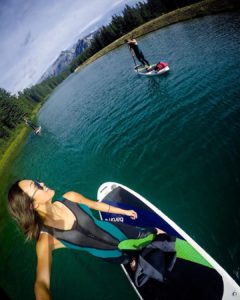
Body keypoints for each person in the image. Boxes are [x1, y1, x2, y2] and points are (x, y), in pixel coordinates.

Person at [8, 179, 164, 300]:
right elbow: (41, 283)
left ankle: (158, 237)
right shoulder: (46, 238)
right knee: (128, 259)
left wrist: (123, 211)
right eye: (35, 185)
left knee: (153, 234)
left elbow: (97, 205)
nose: (41, 182)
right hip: (110, 255)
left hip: (121, 232)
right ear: (32, 205)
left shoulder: (70, 197)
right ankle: (132, 260)